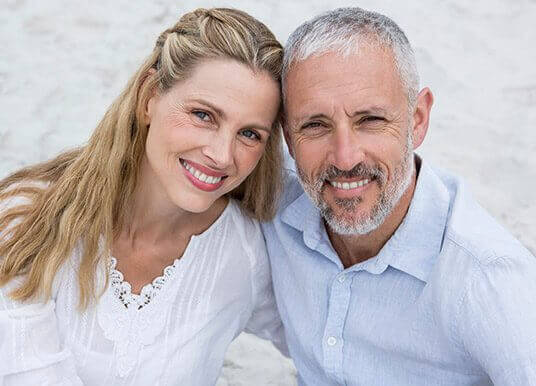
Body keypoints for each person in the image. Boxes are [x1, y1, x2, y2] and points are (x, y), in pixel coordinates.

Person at [0, 8, 287, 385]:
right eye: (203, 115)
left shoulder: (247, 252)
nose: (222, 154)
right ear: (150, 96)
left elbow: (330, 346)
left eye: (250, 134)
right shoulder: (27, 219)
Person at [263, 6, 536, 386]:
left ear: (417, 119)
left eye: (370, 120)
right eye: (315, 125)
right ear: (288, 137)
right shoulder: (272, 206)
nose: (346, 157)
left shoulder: (487, 278)